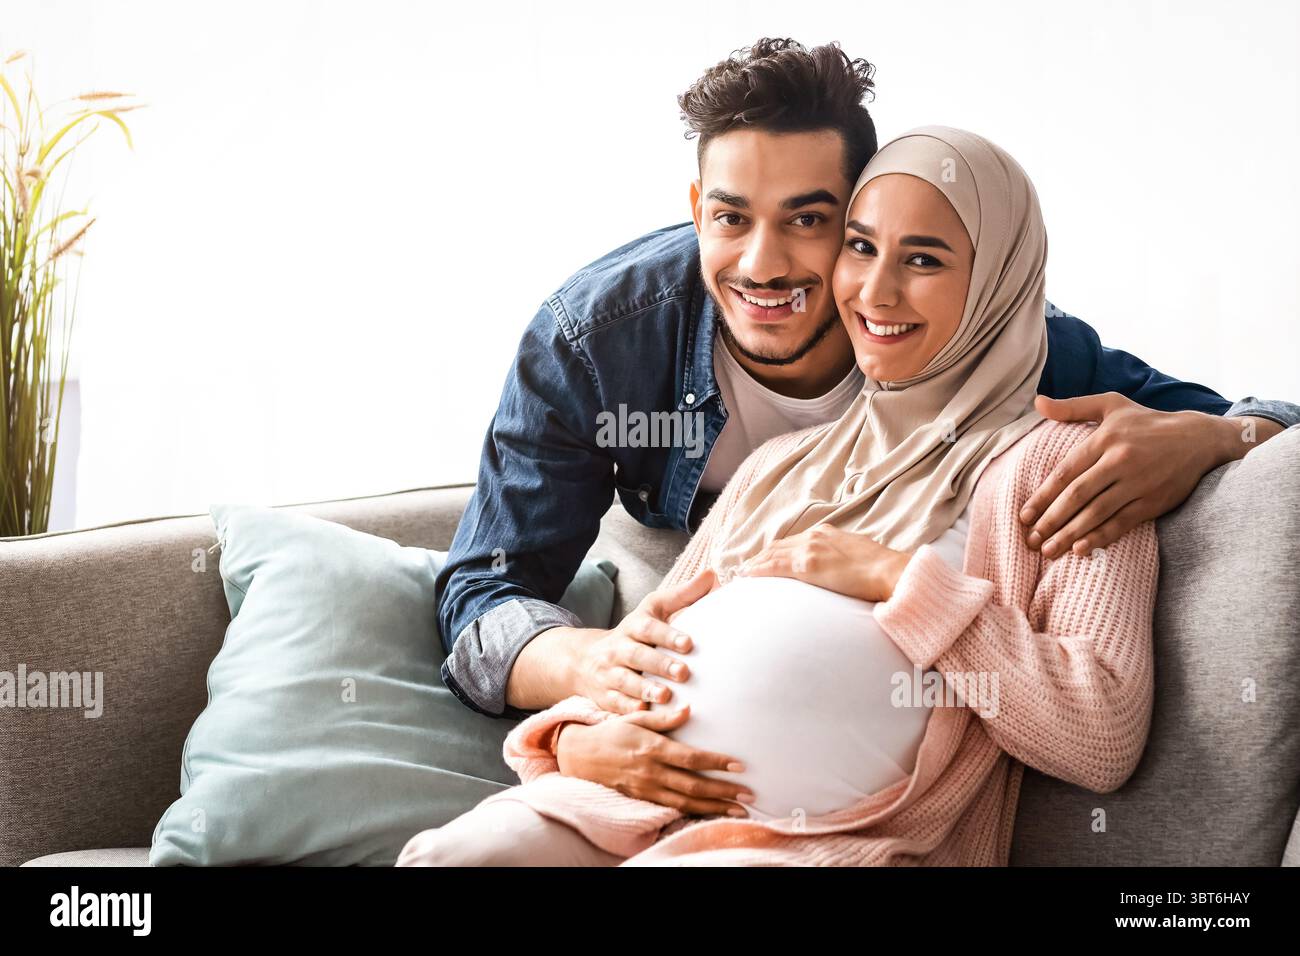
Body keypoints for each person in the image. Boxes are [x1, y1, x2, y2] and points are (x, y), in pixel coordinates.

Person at [436, 39, 1299, 819]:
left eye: (810, 221)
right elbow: (482, 594)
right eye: (731, 218)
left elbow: (1260, 419)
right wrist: (590, 675)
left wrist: (1226, 438)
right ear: (698, 206)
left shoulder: (985, 335)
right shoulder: (595, 342)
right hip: (693, 589)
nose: (764, 264)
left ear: (866, 221)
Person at [397, 125, 1159, 866]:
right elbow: (647, 636)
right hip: (615, 801)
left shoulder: (1075, 468)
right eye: (862, 249)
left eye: (923, 260)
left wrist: (902, 583)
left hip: (812, 841)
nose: (876, 289)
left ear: (998, 281)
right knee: (451, 856)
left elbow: (1099, 735)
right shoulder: (778, 461)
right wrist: (572, 739)